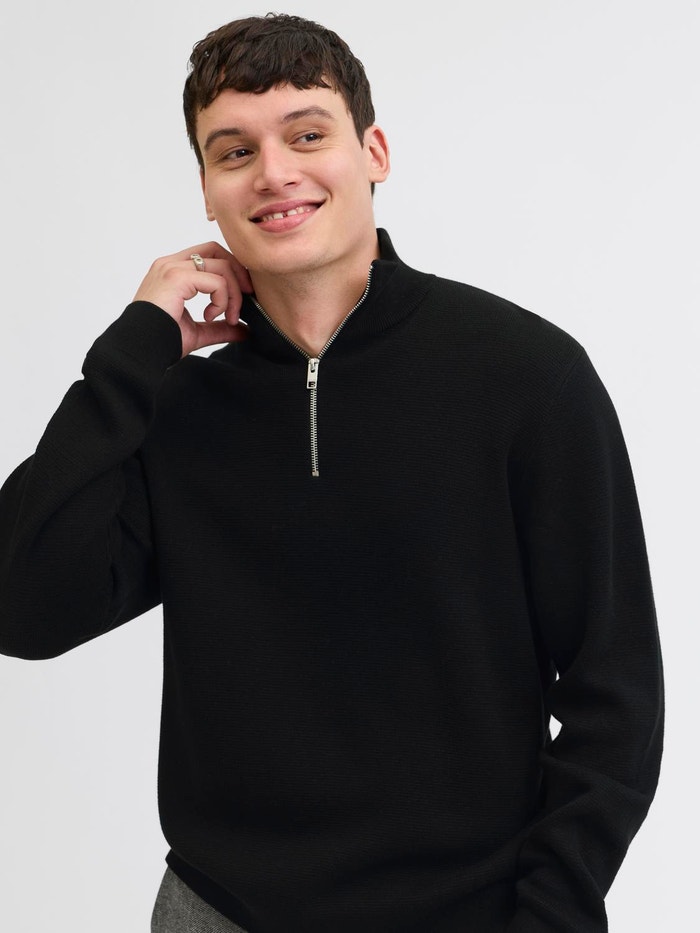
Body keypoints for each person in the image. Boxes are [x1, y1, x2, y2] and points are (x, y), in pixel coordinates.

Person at [0, 12, 663, 933]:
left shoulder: (527, 377)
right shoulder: (177, 410)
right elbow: (21, 607)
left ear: (373, 152)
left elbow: (615, 693)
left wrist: (551, 913)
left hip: (470, 912)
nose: (273, 172)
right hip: (219, 910)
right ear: (206, 190)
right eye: (235, 151)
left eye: (307, 134)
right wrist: (134, 350)